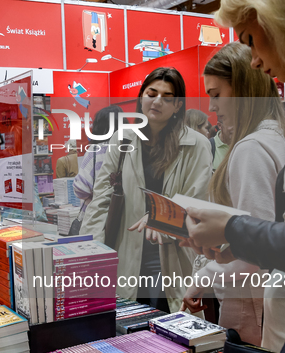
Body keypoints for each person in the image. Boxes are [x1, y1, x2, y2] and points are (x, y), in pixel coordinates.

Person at [181, 0, 285, 353]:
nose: (257, 60)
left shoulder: (252, 147)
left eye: (252, 40)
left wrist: (235, 232)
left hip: (284, 324)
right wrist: (237, 239)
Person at [180, 42, 285, 346]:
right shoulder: (275, 138)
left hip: (251, 305)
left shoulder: (250, 149)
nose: (212, 107)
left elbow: (257, 247)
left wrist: (200, 281)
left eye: (216, 95)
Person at [80, 67, 212, 313]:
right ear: (142, 97)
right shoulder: (122, 139)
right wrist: (92, 254)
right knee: (129, 326)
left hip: (172, 254)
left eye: (167, 97)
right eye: (152, 93)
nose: (157, 101)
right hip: (127, 252)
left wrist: (159, 218)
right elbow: (102, 200)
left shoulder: (197, 145)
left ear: (178, 106)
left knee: (172, 329)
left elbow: (196, 202)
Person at [73, 105, 124, 212]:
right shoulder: (131, 149)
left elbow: (81, 188)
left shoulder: (95, 151)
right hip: (126, 215)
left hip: (98, 215)